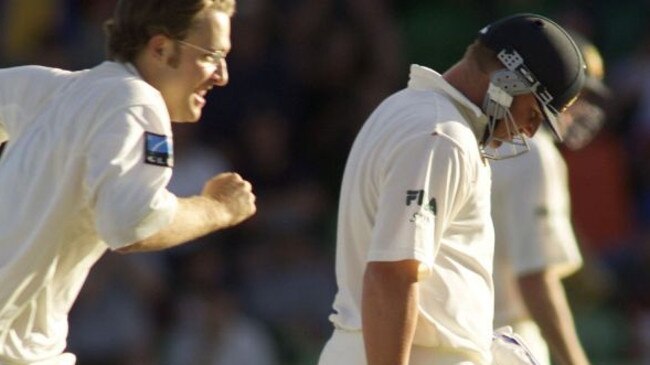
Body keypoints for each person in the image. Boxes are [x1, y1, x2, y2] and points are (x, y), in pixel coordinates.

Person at [317, 13, 586, 365]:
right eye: (534, 114)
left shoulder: (407, 109)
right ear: (507, 81)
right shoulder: (442, 135)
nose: (530, 131)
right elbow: (393, 274)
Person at [0, 0, 256, 364]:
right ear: (161, 48)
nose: (222, 75)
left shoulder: (54, 88)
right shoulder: (137, 103)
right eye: (211, 55)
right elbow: (133, 223)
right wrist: (217, 208)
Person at [490, 31, 610, 365]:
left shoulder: (490, 137)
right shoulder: (533, 153)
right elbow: (533, 277)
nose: (577, 106)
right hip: (506, 343)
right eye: (574, 92)